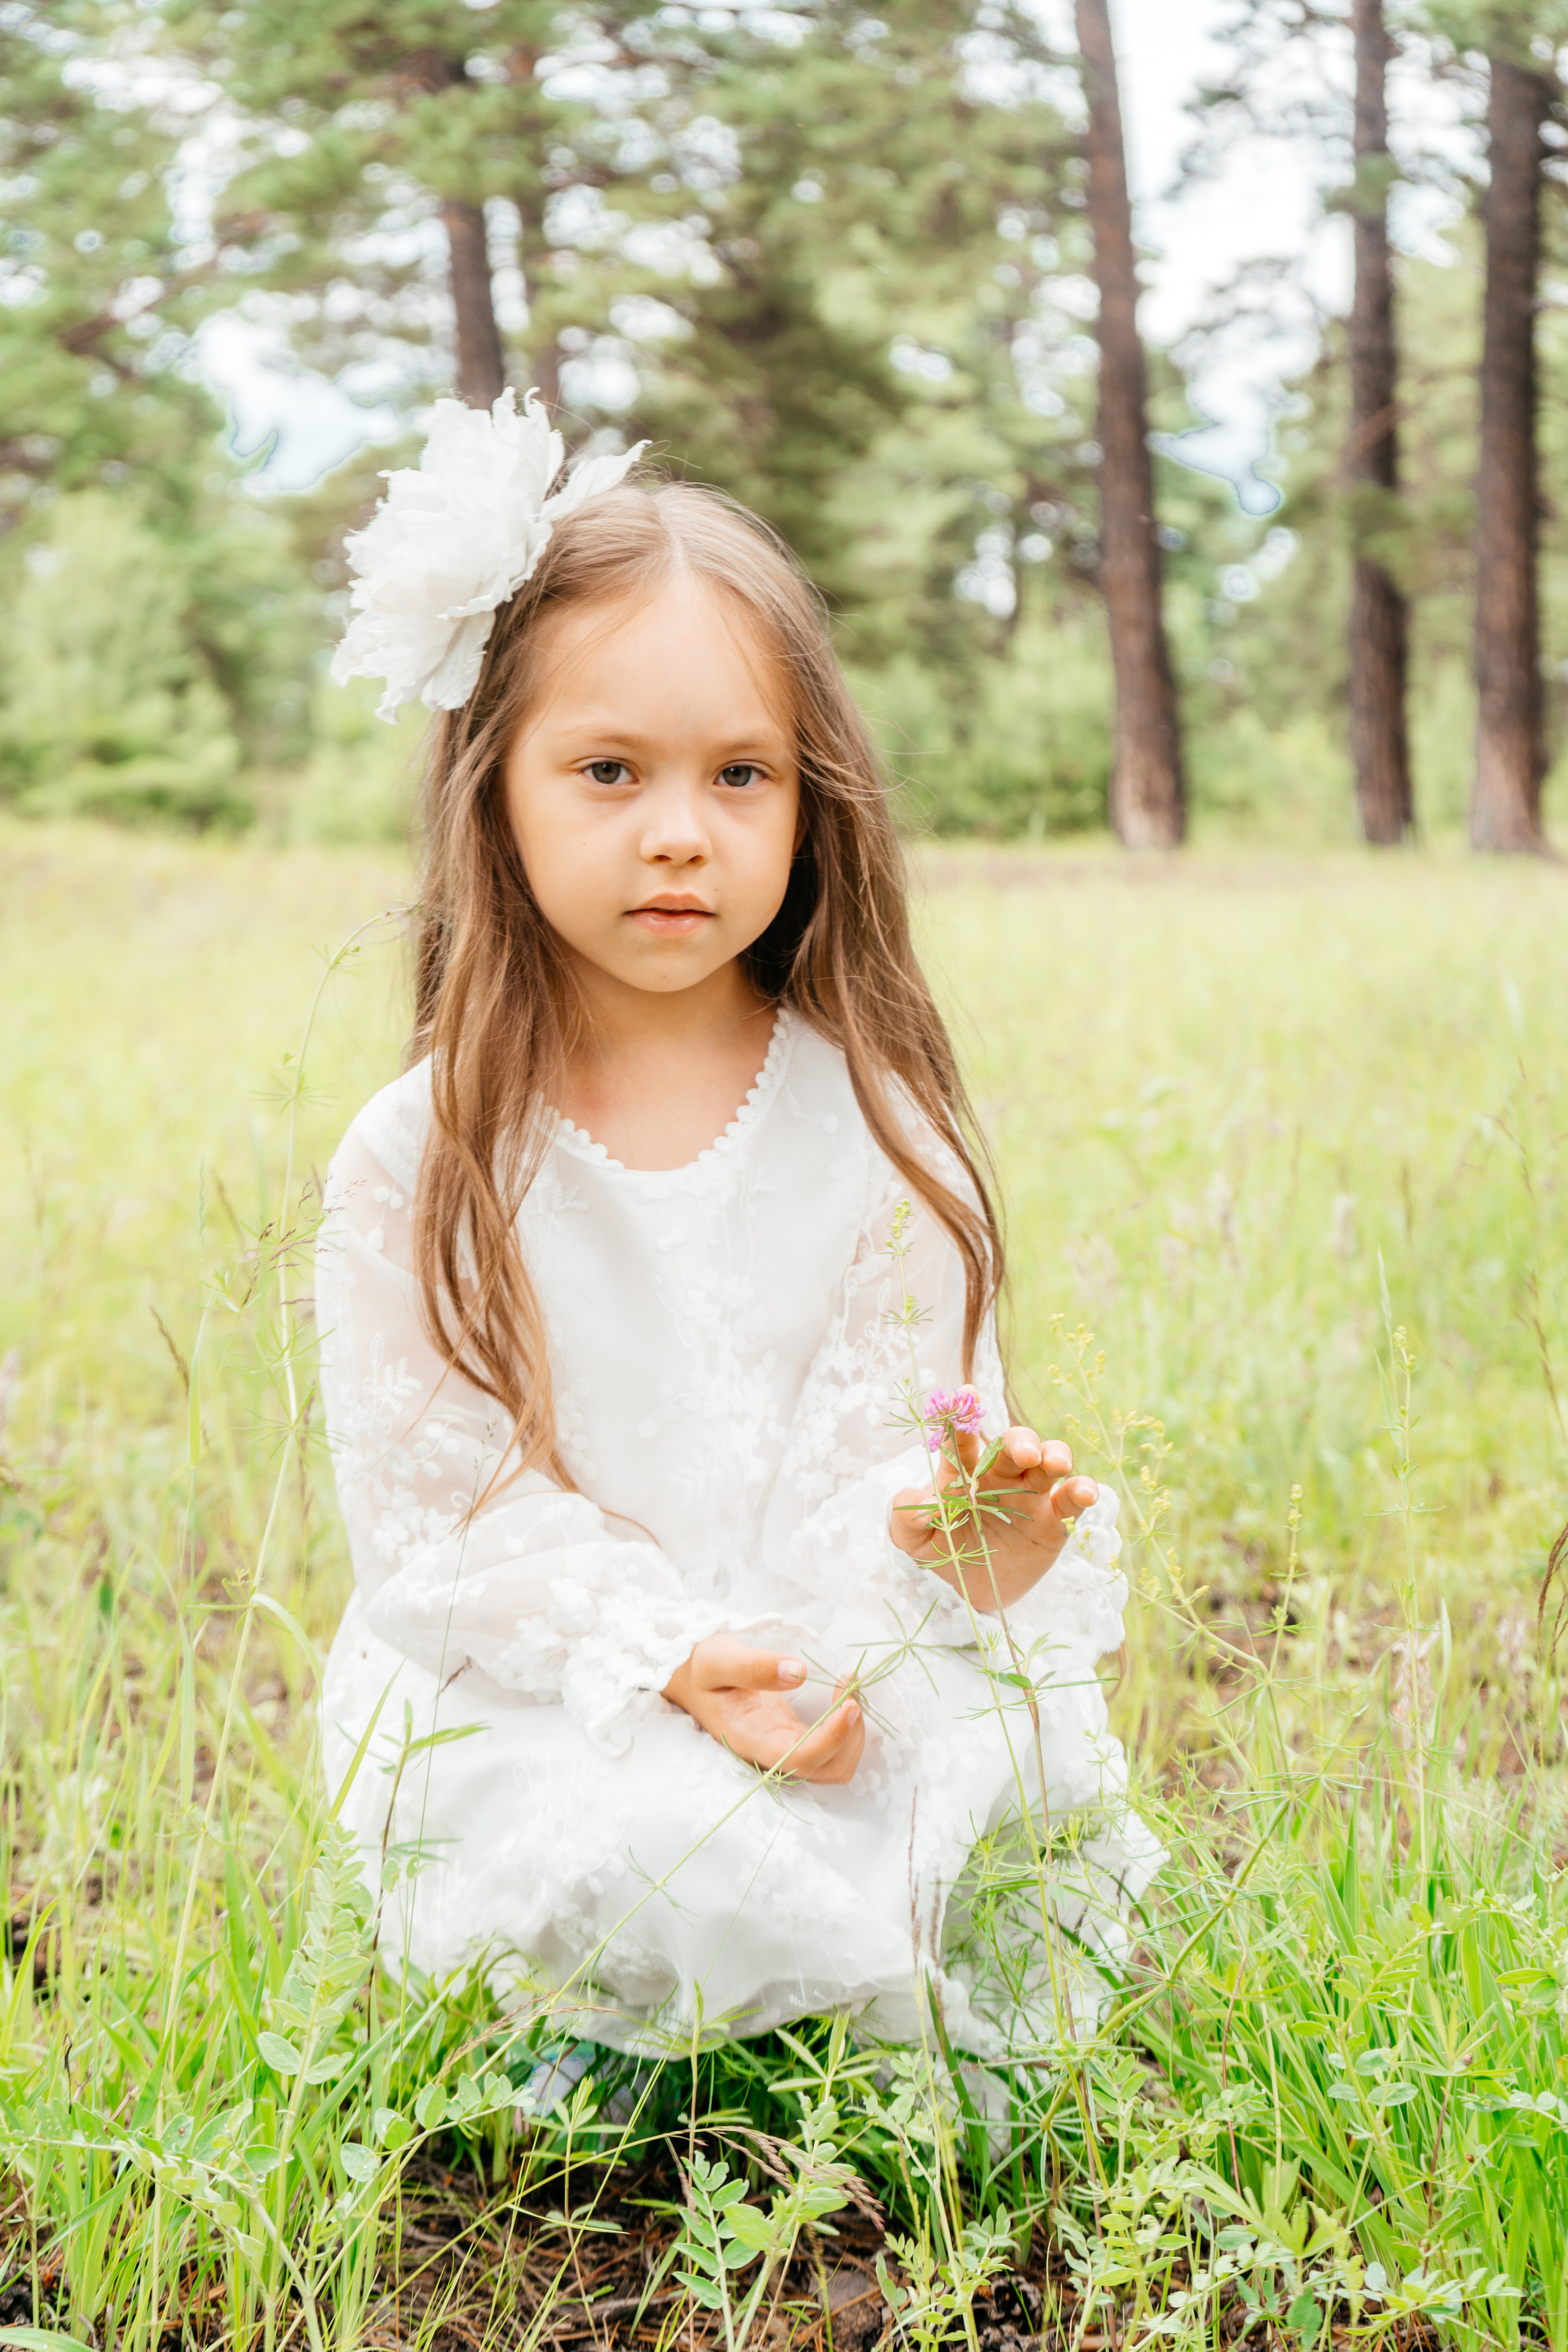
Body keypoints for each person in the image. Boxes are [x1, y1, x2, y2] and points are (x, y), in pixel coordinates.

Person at [316, 390, 1159, 2064]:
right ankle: (629, 2061)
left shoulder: (880, 1124)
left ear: (811, 798)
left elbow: (896, 1438)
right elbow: (442, 1518)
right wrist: (676, 1651)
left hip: (816, 1660)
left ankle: (819, 2018)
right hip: (561, 1684)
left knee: (978, 1790)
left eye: (742, 773)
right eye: (610, 769)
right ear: (496, 790)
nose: (682, 830)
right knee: (630, 1847)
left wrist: (944, 1547)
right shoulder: (423, 1156)